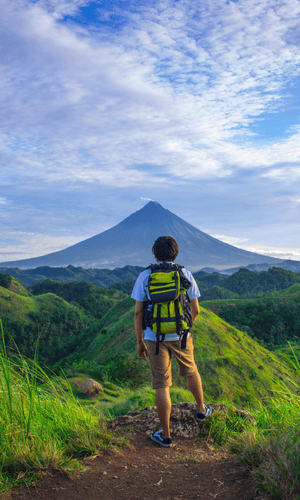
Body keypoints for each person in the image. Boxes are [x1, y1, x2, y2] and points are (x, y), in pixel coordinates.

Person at [131, 235, 211, 447]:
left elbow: (138, 313)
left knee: (162, 384)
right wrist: (184, 328)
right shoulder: (184, 273)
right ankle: (201, 410)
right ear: (175, 252)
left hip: (154, 337)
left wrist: (140, 342)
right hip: (181, 335)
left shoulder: (145, 276)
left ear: (154, 253)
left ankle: (166, 436)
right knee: (191, 370)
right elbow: (196, 309)